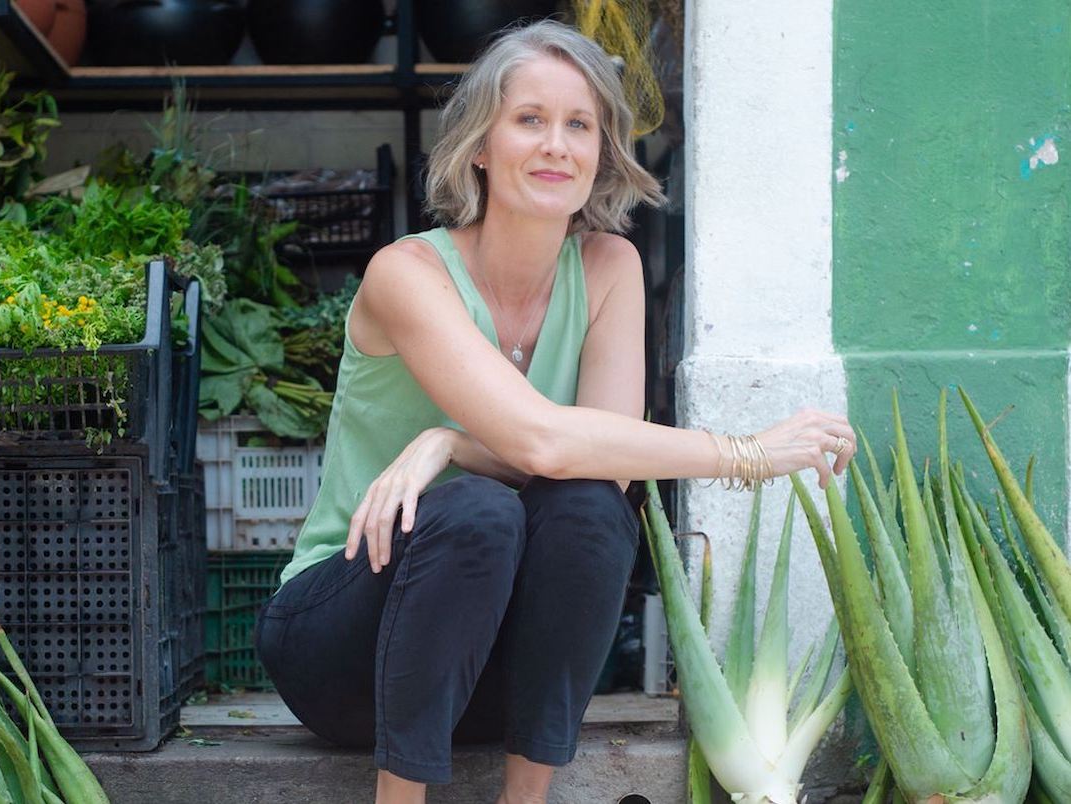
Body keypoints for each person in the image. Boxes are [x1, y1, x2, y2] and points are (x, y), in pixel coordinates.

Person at [256, 19, 856, 804]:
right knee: (475, 515)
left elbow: (589, 463)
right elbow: (540, 440)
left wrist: (452, 441)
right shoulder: (406, 274)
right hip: (344, 651)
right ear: (479, 143)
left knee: (590, 507)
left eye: (580, 125)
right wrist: (747, 452)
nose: (556, 145)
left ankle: (526, 797)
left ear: (603, 152)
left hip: (491, 671)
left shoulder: (609, 267)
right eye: (529, 120)